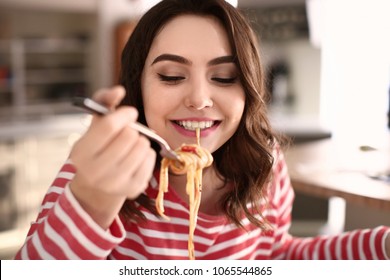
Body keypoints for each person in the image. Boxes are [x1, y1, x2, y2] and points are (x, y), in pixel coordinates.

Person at [15, 0, 390, 260]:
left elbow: (275, 256)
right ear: (138, 86)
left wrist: (382, 246)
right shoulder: (100, 170)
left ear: (249, 89)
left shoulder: (265, 162)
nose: (198, 98)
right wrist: (91, 205)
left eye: (224, 77)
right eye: (172, 76)